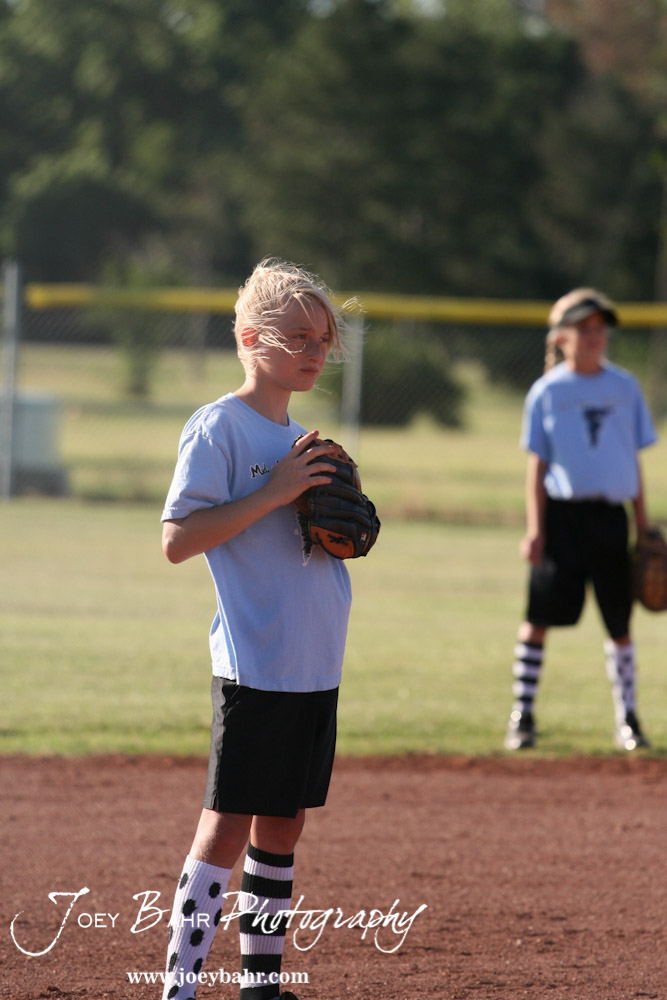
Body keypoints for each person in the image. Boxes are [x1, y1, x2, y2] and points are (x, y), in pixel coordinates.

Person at [159, 258, 355, 1000]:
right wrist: (275, 492)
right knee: (226, 824)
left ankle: (260, 989)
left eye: (322, 340)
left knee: (283, 824)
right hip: (256, 661)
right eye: (298, 337)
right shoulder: (220, 427)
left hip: (314, 658)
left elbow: (314, 542)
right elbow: (178, 538)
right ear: (249, 338)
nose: (314, 352)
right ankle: (178, 988)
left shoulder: (305, 441)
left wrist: (341, 529)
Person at [504, 287, 657, 752]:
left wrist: (644, 526)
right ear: (561, 336)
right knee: (538, 618)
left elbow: (632, 462)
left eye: (600, 328)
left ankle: (628, 719)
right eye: (584, 328)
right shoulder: (548, 392)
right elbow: (537, 468)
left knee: (619, 623)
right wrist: (536, 530)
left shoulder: (625, 387)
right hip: (562, 519)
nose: (595, 336)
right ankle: (522, 716)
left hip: (611, 519)